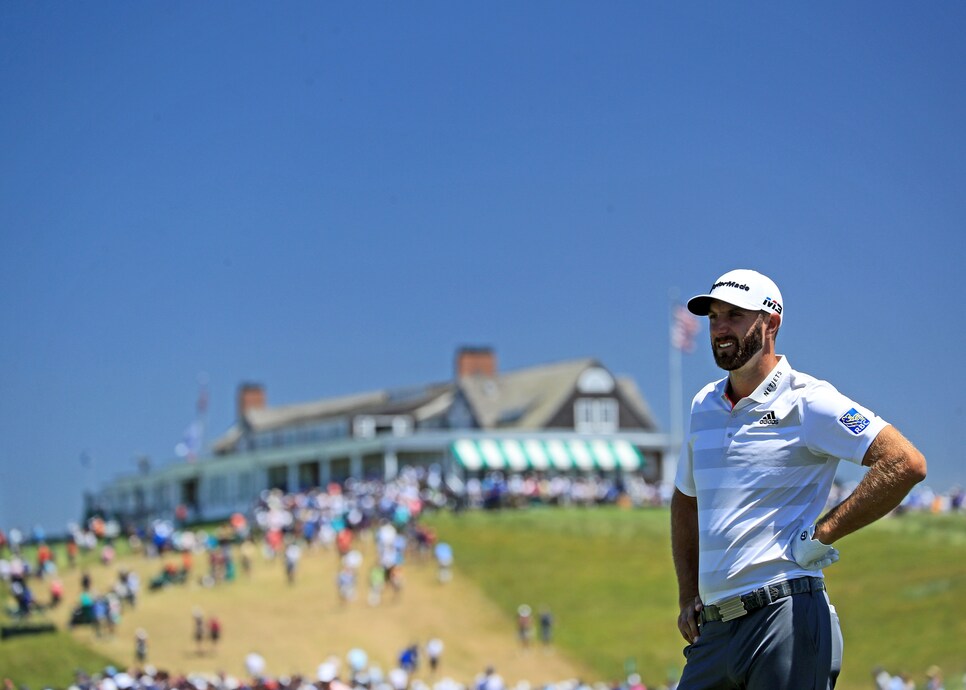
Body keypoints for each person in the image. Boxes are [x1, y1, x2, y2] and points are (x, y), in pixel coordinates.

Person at [671, 269, 927, 689]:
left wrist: (822, 534)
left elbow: (904, 462)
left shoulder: (808, 399)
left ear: (770, 323)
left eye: (735, 315)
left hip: (785, 614)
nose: (719, 328)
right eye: (714, 316)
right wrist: (687, 594)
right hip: (715, 630)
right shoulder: (704, 403)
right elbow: (686, 498)